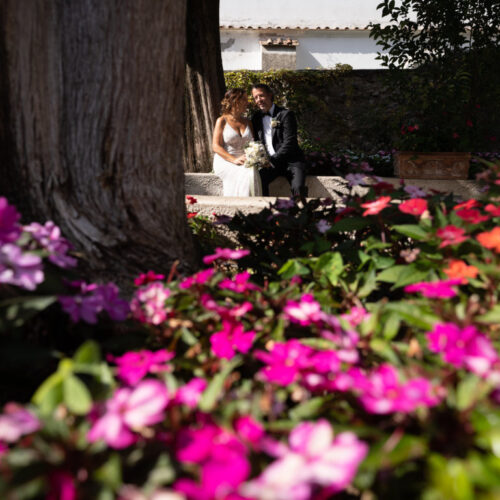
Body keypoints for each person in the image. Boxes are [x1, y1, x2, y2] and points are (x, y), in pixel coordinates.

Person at [251, 83, 307, 198]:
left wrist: (273, 159)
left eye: (261, 96)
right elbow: (256, 141)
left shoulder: (286, 115)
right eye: (255, 97)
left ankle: (301, 213)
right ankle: (265, 212)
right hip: (270, 164)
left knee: (298, 187)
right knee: (258, 182)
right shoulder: (256, 118)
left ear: (270, 95)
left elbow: (290, 142)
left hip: (291, 161)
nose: (258, 100)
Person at [212, 88, 262, 196]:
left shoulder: (248, 122)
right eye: (244, 99)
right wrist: (234, 160)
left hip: (245, 160)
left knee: (252, 172)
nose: (247, 102)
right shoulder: (221, 121)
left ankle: (252, 208)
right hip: (226, 160)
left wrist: (256, 157)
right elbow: (216, 146)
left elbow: (253, 144)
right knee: (246, 173)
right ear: (235, 100)